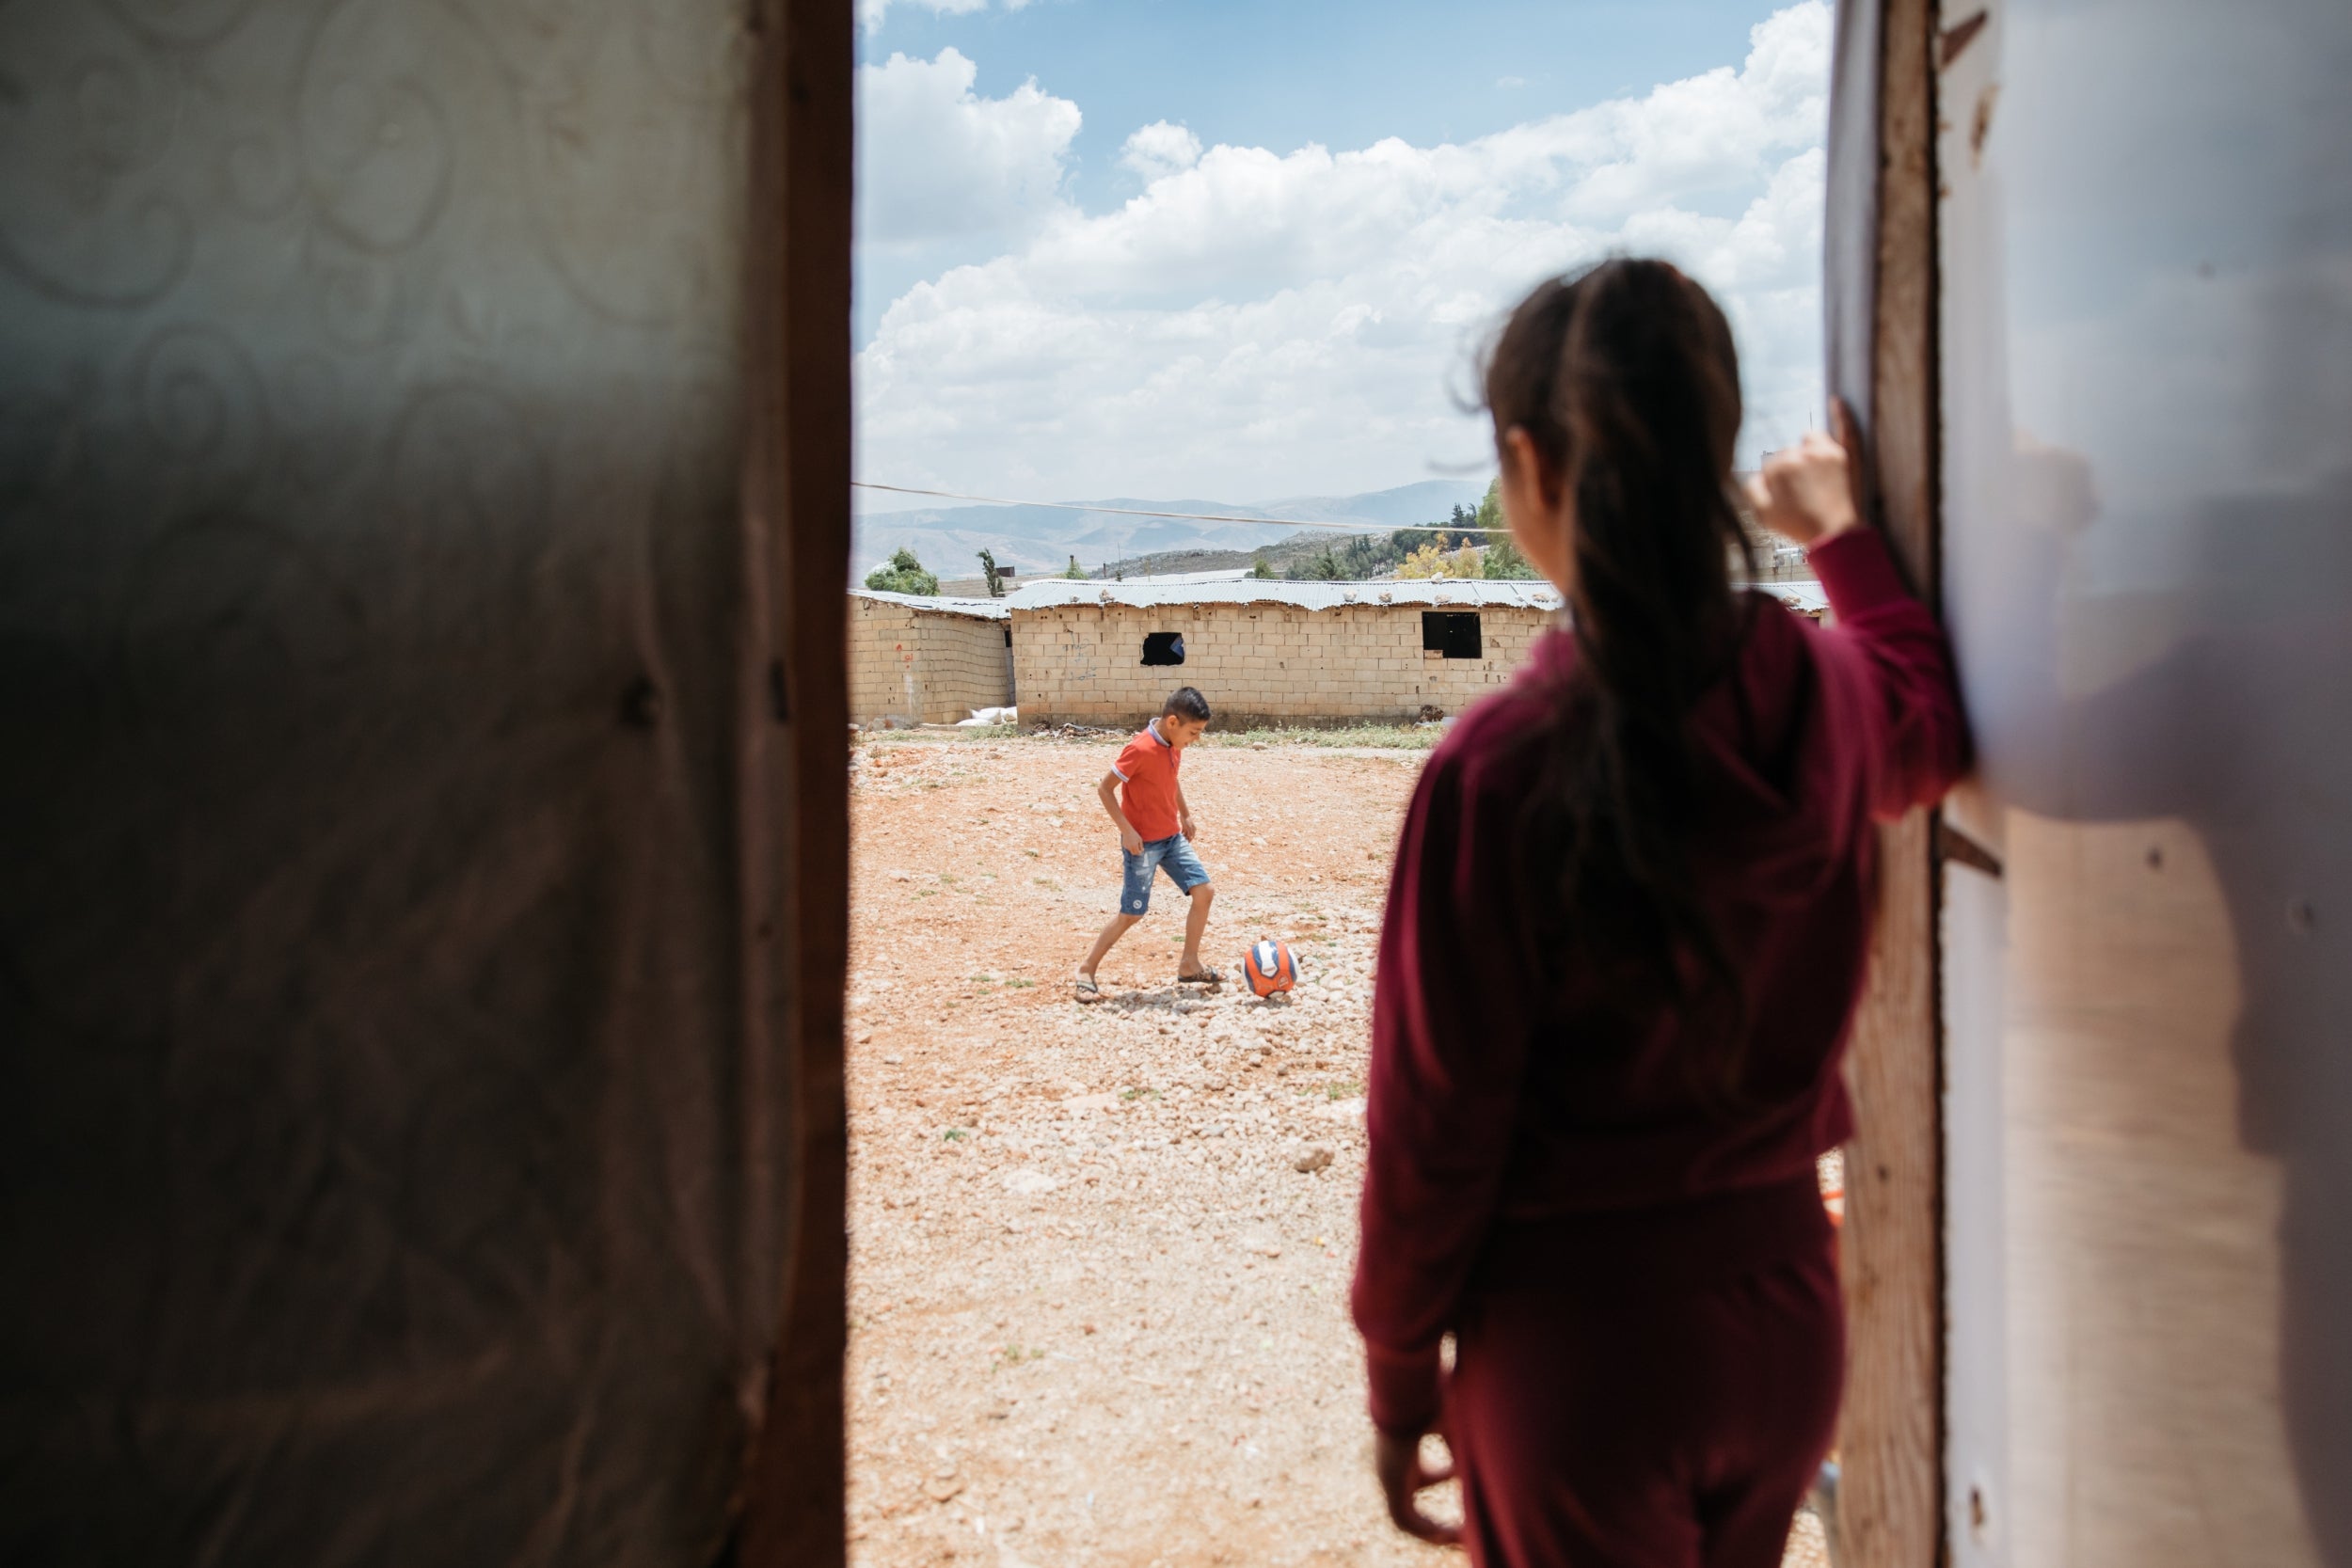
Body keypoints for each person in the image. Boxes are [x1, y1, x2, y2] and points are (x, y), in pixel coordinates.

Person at [1351, 259, 1966, 1566]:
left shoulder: (1499, 770)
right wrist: (1843, 538)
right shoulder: (1831, 694)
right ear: (1717, 458)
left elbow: (1432, 1126)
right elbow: (1934, 718)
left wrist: (1403, 1374)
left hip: (1578, 1348)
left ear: (1528, 466)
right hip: (1787, 1321)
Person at [1073, 687, 1222, 1001]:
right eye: (1194, 732)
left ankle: (1188, 964)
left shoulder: (1172, 743)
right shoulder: (1139, 749)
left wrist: (1186, 814)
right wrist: (1127, 831)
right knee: (1132, 914)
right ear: (1172, 722)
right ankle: (1086, 968)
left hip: (1171, 839)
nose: (1196, 739)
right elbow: (1105, 789)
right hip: (1142, 846)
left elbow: (1172, 779)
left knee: (1204, 891)